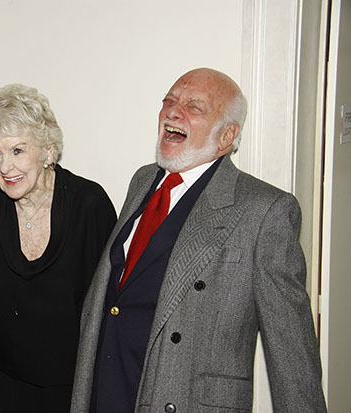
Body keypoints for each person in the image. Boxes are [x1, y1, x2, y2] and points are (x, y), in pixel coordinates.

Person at [70, 68, 327, 413]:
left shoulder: (265, 210)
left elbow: (290, 347)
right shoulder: (143, 180)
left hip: (182, 399)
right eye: (169, 101)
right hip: (108, 388)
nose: (173, 112)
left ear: (227, 136)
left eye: (194, 107)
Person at [0, 84, 117, 412]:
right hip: (9, 381)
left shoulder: (89, 205)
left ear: (48, 150)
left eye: (17, 150)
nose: (5, 167)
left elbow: (111, 304)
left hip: (75, 384)